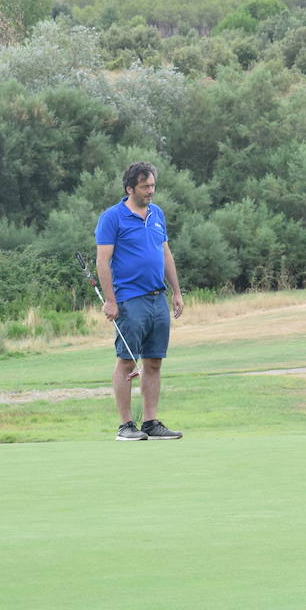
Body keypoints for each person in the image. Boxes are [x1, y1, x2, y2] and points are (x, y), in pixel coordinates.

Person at [95, 162, 185, 441]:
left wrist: (177, 292)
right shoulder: (112, 218)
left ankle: (150, 423)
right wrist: (110, 300)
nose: (151, 191)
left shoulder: (157, 214)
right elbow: (103, 261)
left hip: (157, 298)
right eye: (145, 187)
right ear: (129, 188)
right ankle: (125, 426)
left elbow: (165, 254)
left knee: (154, 362)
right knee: (126, 362)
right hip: (129, 300)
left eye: (153, 186)